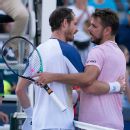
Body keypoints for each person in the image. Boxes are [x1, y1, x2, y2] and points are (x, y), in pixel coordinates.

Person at [33, 9, 126, 130]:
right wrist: (75, 95)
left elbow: (87, 84)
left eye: (94, 26)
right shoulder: (121, 54)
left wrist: (52, 76)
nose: (89, 29)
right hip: (116, 124)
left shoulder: (98, 51)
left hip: (95, 125)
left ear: (107, 30)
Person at [68, 0, 95, 65]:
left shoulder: (91, 8)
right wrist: (83, 12)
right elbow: (74, 23)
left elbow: (92, 23)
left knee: (88, 60)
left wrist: (87, 12)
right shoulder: (70, 9)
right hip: (75, 38)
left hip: (88, 39)